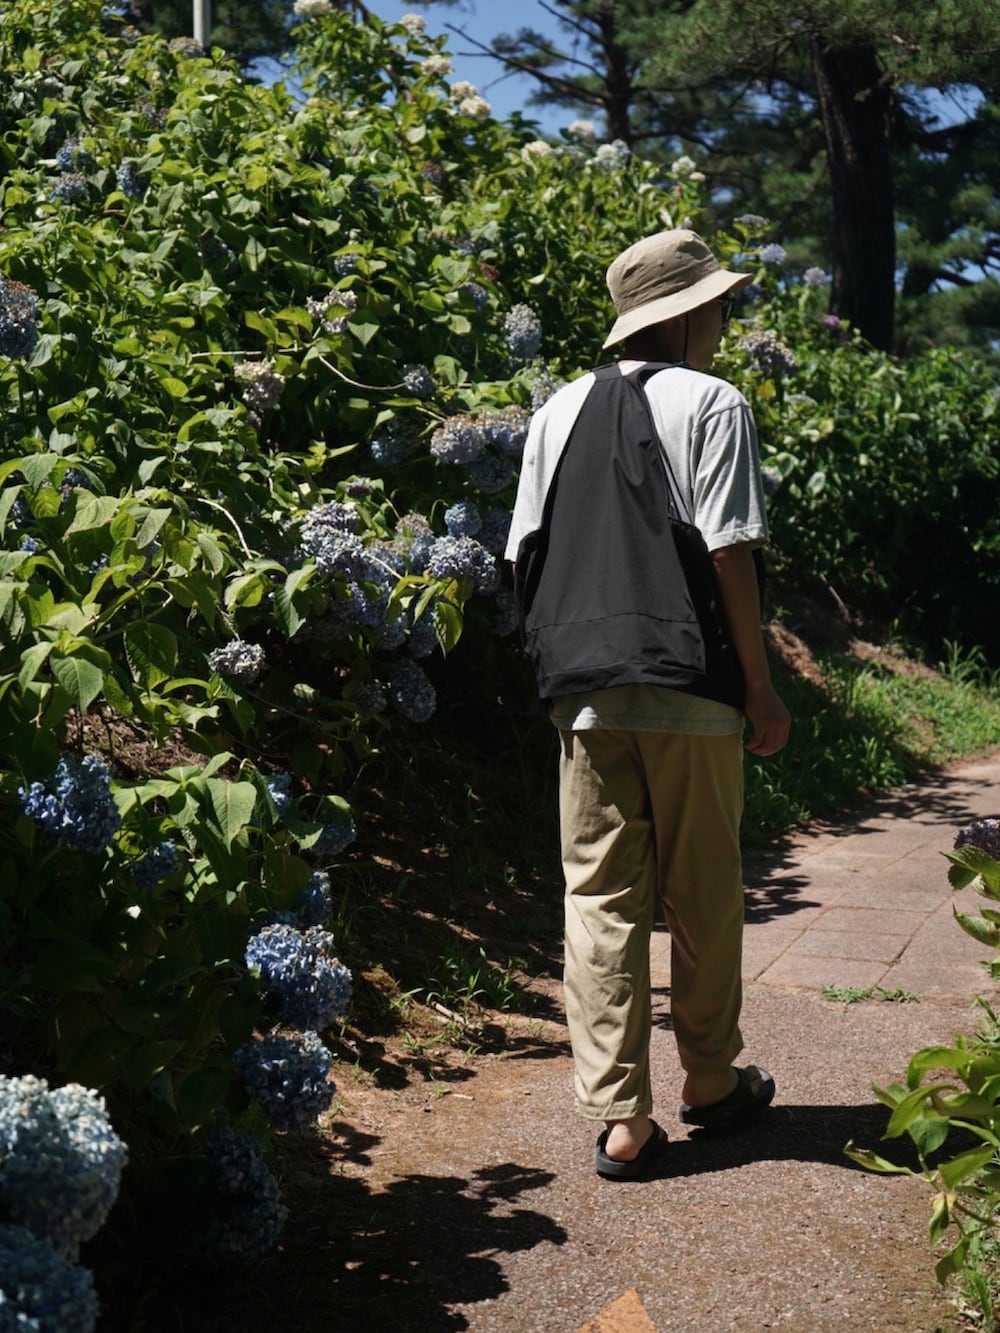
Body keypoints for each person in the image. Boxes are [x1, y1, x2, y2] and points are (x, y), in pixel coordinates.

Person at [505, 229, 791, 1180]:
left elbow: (526, 559)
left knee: (599, 900)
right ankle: (710, 1080)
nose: (722, 321)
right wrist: (758, 686)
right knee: (703, 892)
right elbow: (728, 549)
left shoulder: (555, 412)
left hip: (584, 693)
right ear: (687, 313)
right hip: (690, 686)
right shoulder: (714, 402)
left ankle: (621, 1120)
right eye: (718, 305)